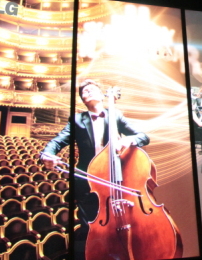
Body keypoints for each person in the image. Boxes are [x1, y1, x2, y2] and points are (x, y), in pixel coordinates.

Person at [40, 79, 150, 260]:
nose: (88, 92)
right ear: (83, 99)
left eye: (92, 89)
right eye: (84, 91)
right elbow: (57, 141)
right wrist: (47, 154)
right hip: (88, 181)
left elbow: (143, 136)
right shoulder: (77, 120)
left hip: (118, 179)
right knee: (92, 226)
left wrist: (128, 140)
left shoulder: (115, 115)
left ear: (102, 95)